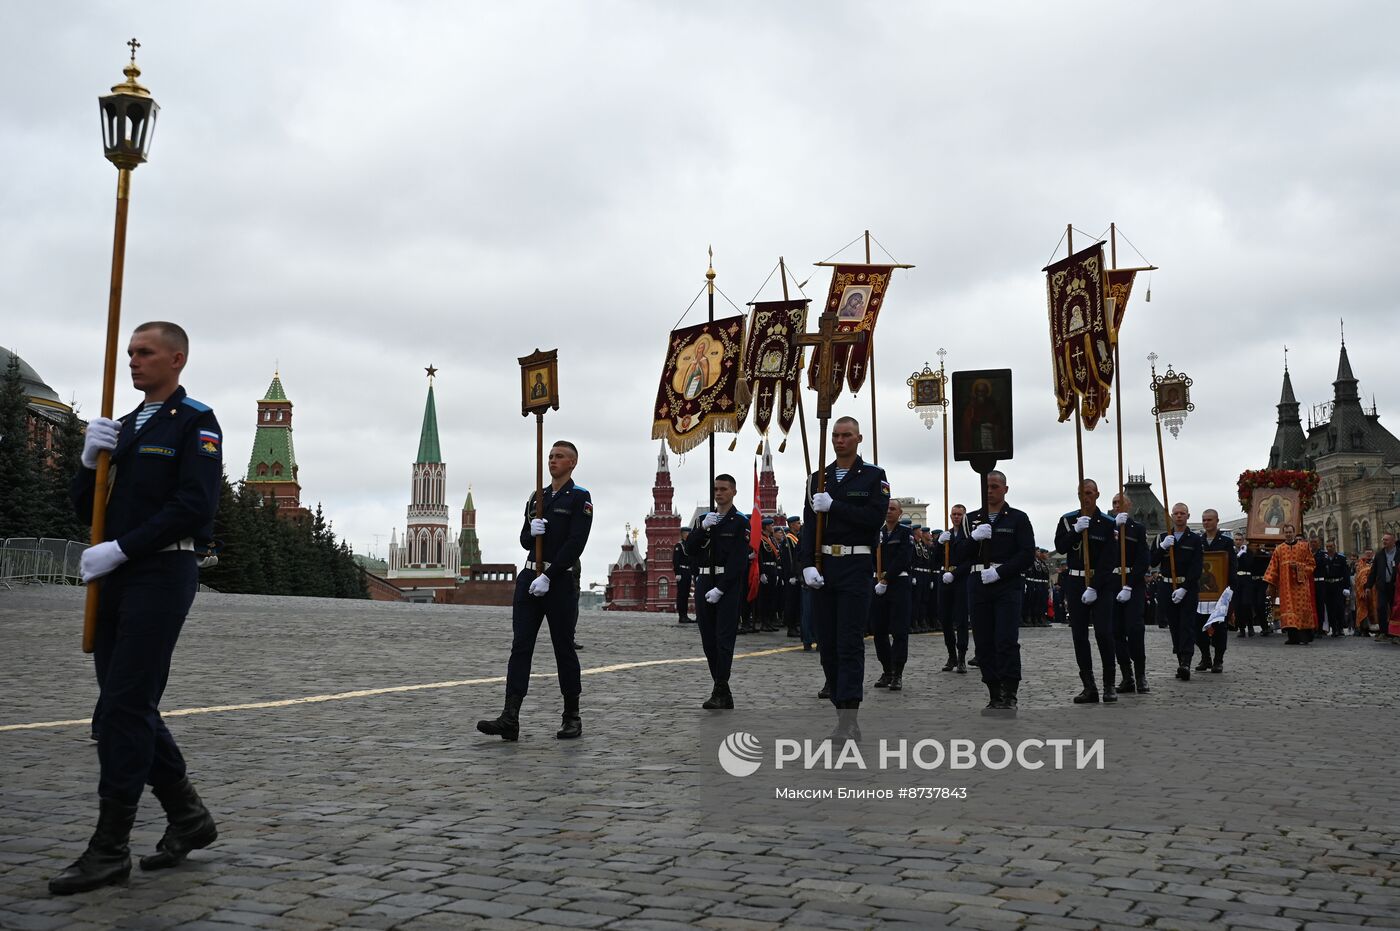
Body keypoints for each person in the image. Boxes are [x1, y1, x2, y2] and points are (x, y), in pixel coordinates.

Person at [54, 322, 222, 895]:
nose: (133, 361)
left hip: (161, 571)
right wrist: (86, 459)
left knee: (125, 705)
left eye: (145, 353)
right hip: (115, 575)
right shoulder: (122, 428)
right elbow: (86, 509)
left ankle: (109, 848)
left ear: (176, 359)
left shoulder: (196, 421)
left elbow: (194, 506)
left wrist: (124, 547)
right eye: (129, 353)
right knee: (123, 707)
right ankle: (188, 817)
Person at [478, 440, 593, 741]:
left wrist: (550, 576)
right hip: (530, 577)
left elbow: (576, 544)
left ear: (573, 463)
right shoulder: (537, 497)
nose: (553, 461)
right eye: (550, 456)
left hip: (558, 579)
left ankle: (572, 716)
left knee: (563, 649)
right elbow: (524, 540)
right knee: (521, 647)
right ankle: (510, 717)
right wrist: (532, 532)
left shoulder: (580, 497)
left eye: (559, 457)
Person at [800, 416, 889, 737]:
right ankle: (840, 704)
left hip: (856, 566)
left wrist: (835, 506)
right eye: (836, 435)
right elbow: (810, 528)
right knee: (828, 644)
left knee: (849, 642)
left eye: (846, 435)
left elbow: (873, 519)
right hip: (825, 567)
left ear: (859, 438)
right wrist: (807, 564)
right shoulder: (817, 479)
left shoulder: (873, 477)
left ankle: (848, 717)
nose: (839, 440)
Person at [966, 471, 1036, 712]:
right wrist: (972, 539)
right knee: (984, 641)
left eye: (995, 486)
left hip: (1006, 584)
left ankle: (1010, 692)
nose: (990, 490)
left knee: (1005, 639)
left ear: (1005, 489)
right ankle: (994, 692)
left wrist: (1001, 572)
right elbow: (957, 555)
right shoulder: (971, 519)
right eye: (986, 486)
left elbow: (1027, 553)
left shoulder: (1017, 518)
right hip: (978, 584)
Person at [685, 474, 750, 709]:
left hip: (727, 584)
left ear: (733, 492)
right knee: (708, 640)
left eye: (723, 489)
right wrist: (702, 529)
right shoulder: (704, 519)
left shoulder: (740, 521)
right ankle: (721, 687)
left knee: (724, 639)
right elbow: (690, 549)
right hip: (704, 580)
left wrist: (721, 589)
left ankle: (720, 688)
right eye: (716, 489)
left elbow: (739, 559)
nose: (719, 493)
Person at [1054, 479, 1120, 703]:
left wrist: (1094, 586)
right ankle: (1089, 686)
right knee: (1079, 635)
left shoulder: (1108, 523)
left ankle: (1109, 684)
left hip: (1101, 584)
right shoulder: (1068, 519)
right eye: (1082, 493)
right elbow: (1061, 547)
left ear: (1097, 494)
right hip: (1075, 582)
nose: (1086, 497)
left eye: (1090, 492)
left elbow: (1110, 559)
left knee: (1103, 633)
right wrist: (1075, 531)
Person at [1151, 502, 1204, 681]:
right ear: (1171, 516)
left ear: (1188, 516)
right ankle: (1180, 659)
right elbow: (1151, 561)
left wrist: (1185, 588)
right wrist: (1163, 548)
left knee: (1187, 624)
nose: (1179, 516)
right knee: (1174, 625)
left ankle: (1186, 662)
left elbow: (1197, 568)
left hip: (1187, 587)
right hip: (1166, 585)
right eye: (1176, 513)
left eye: (1182, 513)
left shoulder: (1196, 539)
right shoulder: (1162, 538)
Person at [1106, 492, 1150, 694]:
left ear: (1129, 505)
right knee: (1115, 632)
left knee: (1135, 630)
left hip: (1133, 584)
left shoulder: (1138, 529)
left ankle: (1141, 675)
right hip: (1112, 583)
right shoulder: (1108, 526)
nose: (1117, 505)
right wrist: (1113, 527)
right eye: (1114, 503)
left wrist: (1130, 586)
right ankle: (1127, 676)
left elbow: (1143, 559)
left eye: (1120, 502)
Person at [869, 502, 914, 691]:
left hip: (897, 584)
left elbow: (903, 559)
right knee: (878, 631)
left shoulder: (905, 533)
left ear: (900, 513)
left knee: (899, 631)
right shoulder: (876, 533)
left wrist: (886, 579)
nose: (888, 511)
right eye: (886, 508)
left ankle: (897, 673)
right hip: (878, 584)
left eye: (893, 509)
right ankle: (887, 670)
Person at [1193, 509, 1237, 674]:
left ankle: (1218, 660)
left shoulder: (1225, 542)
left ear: (1217, 520)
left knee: (1220, 627)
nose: (1206, 523)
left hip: (1220, 591)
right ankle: (1205, 657)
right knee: (1199, 626)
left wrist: (1230, 588)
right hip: (1200, 593)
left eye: (1209, 520)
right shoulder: (1198, 541)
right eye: (1204, 520)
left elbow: (1231, 565)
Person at [1262, 524, 1317, 645]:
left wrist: (1299, 567)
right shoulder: (1279, 549)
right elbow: (1273, 568)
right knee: (1289, 609)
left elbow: (1312, 564)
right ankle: (1293, 637)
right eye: (1286, 532)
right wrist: (1270, 585)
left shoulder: (1304, 546)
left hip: (1301, 585)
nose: (1288, 534)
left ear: (1294, 532)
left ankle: (1305, 637)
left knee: (1302, 609)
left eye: (1290, 532)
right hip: (1286, 586)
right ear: (1283, 533)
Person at [937, 505, 973, 674]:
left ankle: (961, 657)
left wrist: (955, 573)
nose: (956, 517)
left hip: (961, 580)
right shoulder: (947, 536)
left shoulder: (969, 536)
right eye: (954, 514)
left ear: (964, 516)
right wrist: (938, 544)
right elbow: (935, 559)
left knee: (961, 620)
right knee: (945, 620)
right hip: (945, 579)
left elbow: (970, 560)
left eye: (959, 514)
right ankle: (951, 655)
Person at [1233, 540, 1270, 637]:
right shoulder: (1239, 552)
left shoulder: (1261, 555)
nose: (1254, 547)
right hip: (1246, 581)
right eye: (1252, 545)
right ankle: (1242, 628)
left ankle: (1259, 627)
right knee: (1240, 605)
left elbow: (1250, 564)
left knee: (1255, 604)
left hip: (1258, 581)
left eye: (1256, 545)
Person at [1367, 532, 1397, 642]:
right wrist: (1368, 586)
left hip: (1396, 587)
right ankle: (1383, 632)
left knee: (1396, 611)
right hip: (1383, 587)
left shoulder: (1399, 553)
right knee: (1381, 608)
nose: (1384, 542)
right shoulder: (1379, 554)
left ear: (1393, 541)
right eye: (1383, 540)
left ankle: (1395, 633)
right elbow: (1373, 572)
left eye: (1386, 540)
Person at [1320, 540, 1350, 637]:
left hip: (1338, 585)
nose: (1329, 548)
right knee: (1330, 608)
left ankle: (1340, 628)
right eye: (1327, 547)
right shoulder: (1324, 558)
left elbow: (1346, 574)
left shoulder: (1341, 558)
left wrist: (1346, 587)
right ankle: (1334, 628)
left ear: (1335, 546)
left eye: (1331, 546)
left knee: (1339, 607)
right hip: (1328, 585)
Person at [1354, 549, 1376, 636]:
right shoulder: (1360, 564)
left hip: (1375, 591)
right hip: (1362, 590)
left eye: (1370, 554)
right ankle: (1364, 629)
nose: (1368, 555)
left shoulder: (1376, 562)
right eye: (1367, 554)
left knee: (1375, 609)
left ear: (1373, 554)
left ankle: (1378, 629)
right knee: (1363, 610)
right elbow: (1358, 577)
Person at [673, 527, 693, 624]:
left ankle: (685, 615)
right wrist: (677, 573)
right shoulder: (679, 545)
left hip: (688, 571)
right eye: (686, 533)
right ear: (682, 534)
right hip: (681, 570)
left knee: (686, 594)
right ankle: (682, 616)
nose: (688, 535)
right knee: (681, 595)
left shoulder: (689, 545)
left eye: (689, 533)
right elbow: (675, 560)